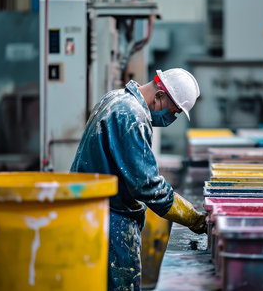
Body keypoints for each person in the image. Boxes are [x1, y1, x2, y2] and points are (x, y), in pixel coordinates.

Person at [70, 68, 206, 290]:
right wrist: (194, 218)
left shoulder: (115, 98)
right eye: (175, 111)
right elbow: (147, 186)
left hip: (92, 212)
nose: (173, 117)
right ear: (161, 96)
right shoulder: (132, 116)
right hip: (112, 222)